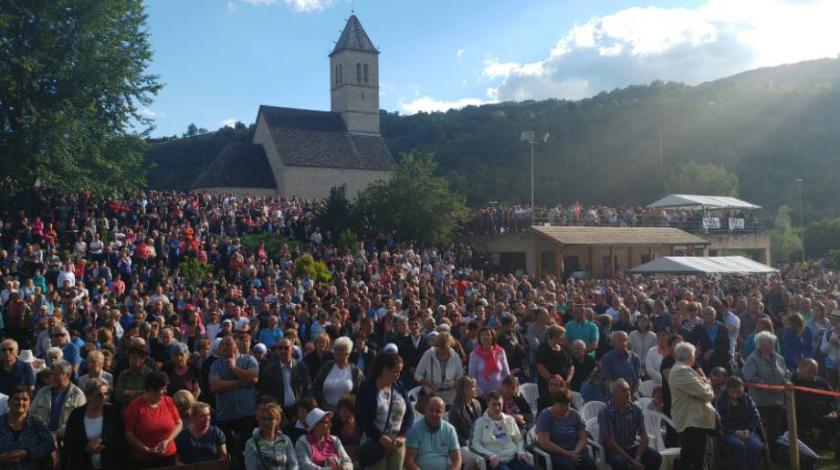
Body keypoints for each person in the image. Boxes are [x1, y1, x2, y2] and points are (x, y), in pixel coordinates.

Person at [355, 353, 413, 470]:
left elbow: (409, 414)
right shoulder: (367, 388)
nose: (398, 375)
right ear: (384, 369)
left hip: (397, 444)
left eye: (400, 372)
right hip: (374, 443)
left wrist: (402, 435)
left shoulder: (400, 387)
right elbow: (361, 419)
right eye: (396, 371)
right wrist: (380, 437)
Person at [210, 334, 260, 468]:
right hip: (225, 418)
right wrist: (240, 382)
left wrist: (233, 368)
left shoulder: (249, 359)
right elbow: (215, 386)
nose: (224, 347)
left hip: (247, 416)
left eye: (228, 344)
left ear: (236, 346)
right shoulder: (216, 364)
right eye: (222, 345)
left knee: (248, 452)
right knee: (231, 455)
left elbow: (253, 379)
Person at [668, 342, 716, 470]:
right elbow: (705, 393)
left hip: (696, 420)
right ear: (690, 356)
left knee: (697, 458)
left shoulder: (685, 370)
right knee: (690, 458)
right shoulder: (681, 371)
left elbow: (701, 391)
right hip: (691, 420)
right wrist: (708, 384)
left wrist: (704, 384)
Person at [597, 379, 662, 470]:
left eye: (628, 390)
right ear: (614, 394)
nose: (628, 393)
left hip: (632, 445)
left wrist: (637, 458)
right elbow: (611, 442)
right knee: (620, 463)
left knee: (656, 458)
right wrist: (632, 461)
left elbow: (644, 438)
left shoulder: (636, 410)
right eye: (624, 390)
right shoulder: (605, 411)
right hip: (613, 449)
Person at [741, 330, 788, 455]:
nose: (773, 346)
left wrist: (787, 383)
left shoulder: (778, 357)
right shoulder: (752, 359)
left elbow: (785, 373)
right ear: (761, 344)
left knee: (775, 430)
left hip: (777, 401)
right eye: (770, 343)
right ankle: (758, 454)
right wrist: (768, 386)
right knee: (758, 430)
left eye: (773, 343)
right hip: (760, 401)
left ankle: (773, 454)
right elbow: (749, 377)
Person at [124, 371, 183, 468]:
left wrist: (168, 440)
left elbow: (179, 423)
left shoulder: (168, 401)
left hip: (169, 457)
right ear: (151, 390)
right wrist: (147, 450)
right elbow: (129, 434)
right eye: (162, 389)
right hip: (144, 460)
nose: (165, 392)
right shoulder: (135, 407)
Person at [64, 378, 124, 470]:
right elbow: (69, 441)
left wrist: (102, 441)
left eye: (106, 394)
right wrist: (85, 447)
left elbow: (120, 438)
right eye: (99, 395)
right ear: (88, 396)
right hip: (83, 464)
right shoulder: (77, 415)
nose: (104, 398)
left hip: (109, 465)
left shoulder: (113, 413)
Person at [534, 386, 596, 470]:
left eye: (567, 404)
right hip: (555, 452)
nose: (565, 408)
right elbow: (544, 442)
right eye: (561, 405)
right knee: (568, 466)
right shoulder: (545, 415)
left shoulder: (574, 414)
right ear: (554, 403)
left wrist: (576, 452)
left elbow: (583, 436)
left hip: (575, 449)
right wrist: (566, 453)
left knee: (590, 465)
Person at [469, 391, 535, 470]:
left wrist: (521, 451)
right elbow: (474, 445)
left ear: (503, 403)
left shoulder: (510, 419)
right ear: (487, 404)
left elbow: (519, 439)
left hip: (514, 458)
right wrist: (490, 455)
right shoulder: (480, 422)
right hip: (495, 461)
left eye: (499, 404)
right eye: (494, 404)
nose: (497, 408)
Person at [791, 358, 839, 457]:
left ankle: (823, 443)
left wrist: (834, 411)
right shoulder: (792, 380)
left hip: (822, 415)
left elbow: (833, 399)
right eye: (809, 372)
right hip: (800, 416)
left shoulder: (821, 382)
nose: (812, 375)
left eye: (815, 372)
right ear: (801, 368)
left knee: (835, 420)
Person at [715, 377, 765, 470]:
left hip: (748, 431)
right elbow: (720, 420)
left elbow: (754, 416)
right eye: (732, 392)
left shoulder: (747, 399)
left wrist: (749, 430)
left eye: (738, 392)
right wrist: (735, 432)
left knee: (756, 446)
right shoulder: (721, 400)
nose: (735, 395)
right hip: (729, 432)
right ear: (727, 390)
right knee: (739, 446)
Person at [0, 385, 54, 469]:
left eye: (25, 399)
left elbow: (49, 445)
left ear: (30, 403)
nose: (20, 402)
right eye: (16, 399)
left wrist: (27, 452)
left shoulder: (37, 424)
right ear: (8, 402)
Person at [259, 338, 312, 419]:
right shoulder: (269, 370)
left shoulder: (302, 367)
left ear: (292, 349)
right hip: (278, 413)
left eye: (286, 348)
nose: (283, 351)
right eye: (280, 348)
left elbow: (308, 390)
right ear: (276, 350)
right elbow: (266, 393)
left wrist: (303, 410)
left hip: (299, 412)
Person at [30, 361, 86, 438]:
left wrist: (56, 434)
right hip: (41, 436)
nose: (52, 377)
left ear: (68, 375)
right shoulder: (43, 392)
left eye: (56, 374)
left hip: (66, 438)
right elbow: (32, 413)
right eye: (51, 374)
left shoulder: (78, 395)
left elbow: (78, 421)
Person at [405, 396, 462, 470]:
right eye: (431, 410)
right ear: (425, 410)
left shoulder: (450, 430)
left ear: (443, 413)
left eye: (438, 411)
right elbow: (409, 461)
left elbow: (457, 460)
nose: (434, 414)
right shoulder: (414, 429)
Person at [312, 336, 363, 410]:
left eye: (341, 349)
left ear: (348, 352)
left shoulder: (356, 371)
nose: (337, 352)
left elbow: (359, 395)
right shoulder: (327, 367)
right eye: (336, 349)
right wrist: (323, 404)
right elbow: (316, 387)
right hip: (325, 412)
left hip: (346, 415)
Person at [414, 332, 464, 406]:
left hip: (450, 399)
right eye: (441, 348)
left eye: (446, 348)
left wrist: (453, 384)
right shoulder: (428, 354)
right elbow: (417, 375)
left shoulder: (455, 357)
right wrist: (431, 385)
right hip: (431, 397)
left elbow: (460, 377)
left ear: (451, 346)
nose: (443, 351)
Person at [244, 402, 299, 470]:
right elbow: (251, 468)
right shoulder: (251, 443)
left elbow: (294, 465)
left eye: (270, 419)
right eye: (263, 419)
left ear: (277, 421)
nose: (266, 422)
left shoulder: (285, 439)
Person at [469, 327, 511, 398]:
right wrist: (482, 394)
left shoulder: (501, 352)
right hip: (481, 395)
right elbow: (472, 378)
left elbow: (506, 374)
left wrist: (501, 391)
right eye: (482, 335)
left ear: (493, 337)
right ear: (479, 338)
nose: (485, 337)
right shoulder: (474, 354)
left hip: (500, 394)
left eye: (488, 335)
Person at [689, 306, 731, 374]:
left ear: (715, 315)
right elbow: (690, 342)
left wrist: (713, 351)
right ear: (702, 315)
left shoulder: (722, 328)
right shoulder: (698, 328)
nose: (708, 316)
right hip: (704, 363)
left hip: (720, 362)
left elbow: (726, 345)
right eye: (706, 314)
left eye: (711, 314)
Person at [536, 325, 573, 396]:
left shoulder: (564, 349)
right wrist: (553, 382)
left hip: (563, 385)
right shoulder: (543, 348)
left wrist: (568, 380)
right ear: (554, 336)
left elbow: (570, 365)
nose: (563, 337)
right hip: (548, 386)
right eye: (561, 335)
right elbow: (540, 366)